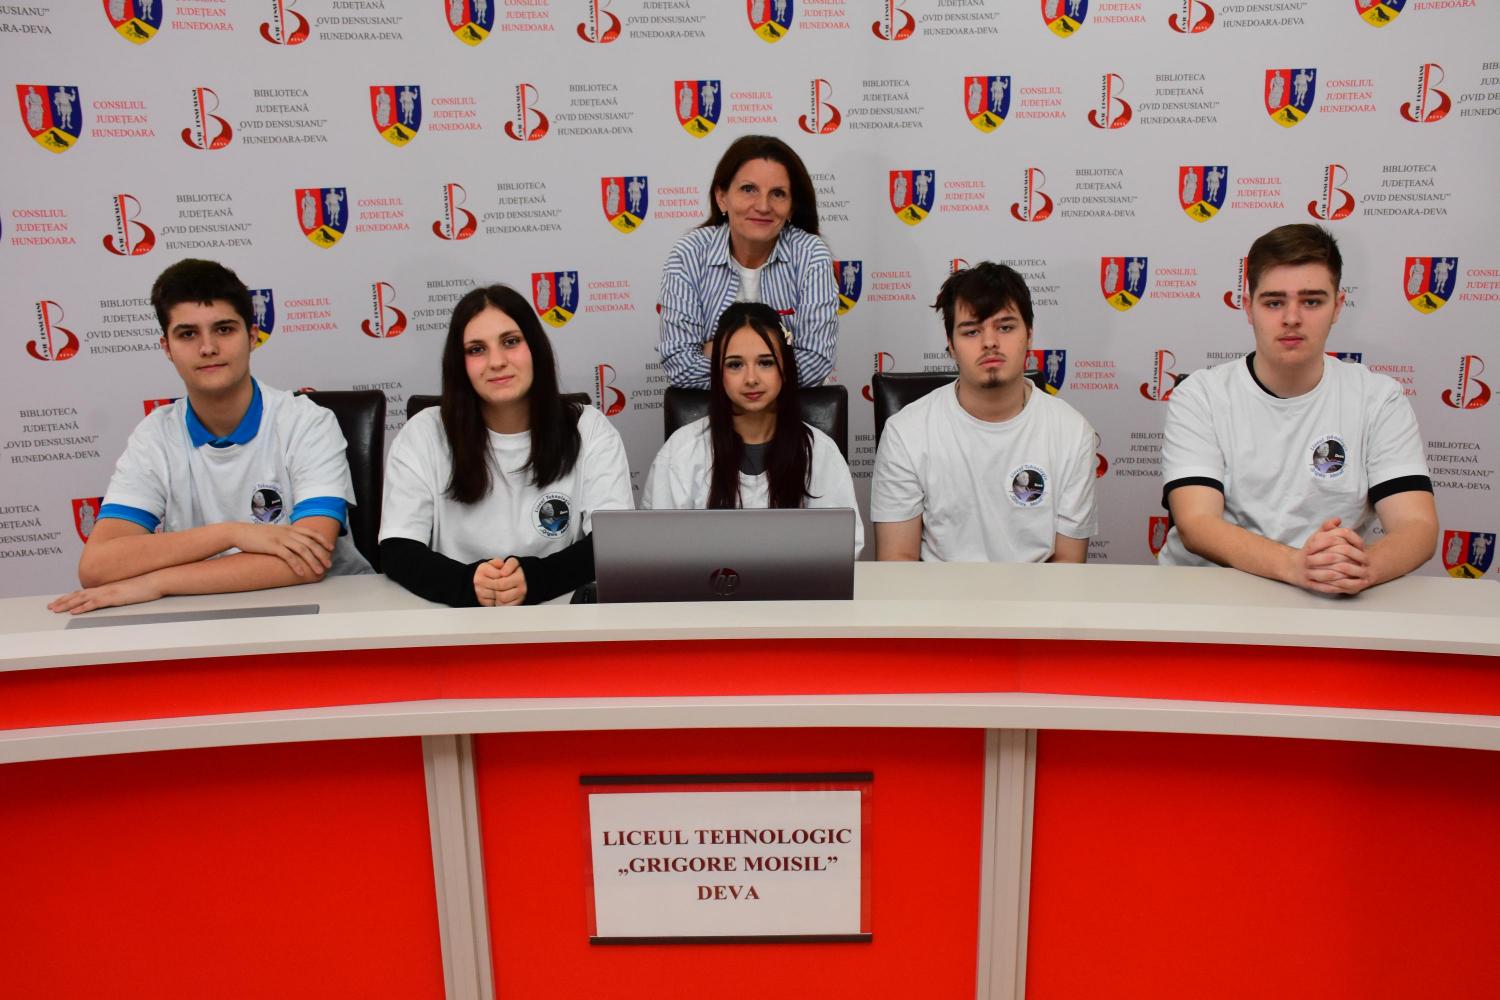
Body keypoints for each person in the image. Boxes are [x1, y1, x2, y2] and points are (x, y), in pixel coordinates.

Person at [49, 259, 369, 615]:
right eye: (188, 334)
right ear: (167, 347)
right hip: (206, 619)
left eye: (224, 329)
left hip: (328, 618)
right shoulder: (155, 435)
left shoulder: (306, 422)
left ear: (252, 336)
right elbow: (97, 567)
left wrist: (156, 583)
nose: (208, 348)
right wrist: (230, 533)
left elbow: (310, 560)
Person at [1159, 224, 1437, 594]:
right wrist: (1296, 565)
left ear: (1338, 306)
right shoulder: (1200, 396)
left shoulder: (1378, 398)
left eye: (1311, 302)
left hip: (1329, 595)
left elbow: (1417, 525)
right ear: (1248, 307)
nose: (1292, 317)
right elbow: (1197, 524)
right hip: (1210, 596)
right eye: (1274, 302)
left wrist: (1361, 568)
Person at [379, 285, 633, 607]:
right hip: (453, 617)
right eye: (476, 349)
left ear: (535, 348)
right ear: (460, 364)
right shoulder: (423, 433)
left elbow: (613, 542)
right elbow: (398, 549)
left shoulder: (589, 428)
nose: (497, 361)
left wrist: (535, 580)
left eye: (510, 342)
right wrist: (467, 584)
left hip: (561, 616)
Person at [871, 262, 1097, 563]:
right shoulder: (906, 432)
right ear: (951, 345)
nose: (990, 342)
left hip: (1039, 593)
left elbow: (1068, 565)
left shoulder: (1072, 432)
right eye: (972, 331)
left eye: (1005, 327)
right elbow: (897, 561)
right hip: (937, 593)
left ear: (1029, 335)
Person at [642, 302, 861, 555]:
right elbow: (659, 552)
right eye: (735, 365)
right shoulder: (680, 452)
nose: (751, 379)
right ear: (718, 373)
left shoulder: (821, 453)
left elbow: (843, 551)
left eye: (765, 363)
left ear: (785, 369)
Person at [657, 134, 838, 389]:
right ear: (722, 197)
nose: (763, 206)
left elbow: (815, 363)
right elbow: (680, 365)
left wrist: (720, 352)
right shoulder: (689, 254)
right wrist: (776, 356)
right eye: (748, 189)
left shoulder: (811, 255)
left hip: (791, 409)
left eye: (778, 193)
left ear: (791, 207)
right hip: (714, 410)